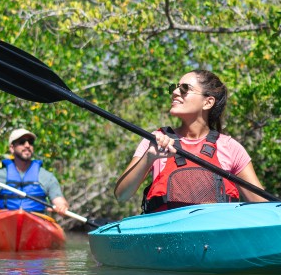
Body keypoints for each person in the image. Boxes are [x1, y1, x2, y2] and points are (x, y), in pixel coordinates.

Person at [114, 69, 268, 211]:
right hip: (167, 237)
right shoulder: (156, 141)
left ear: (208, 102)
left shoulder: (230, 148)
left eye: (184, 89)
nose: (174, 92)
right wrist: (149, 158)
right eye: (174, 87)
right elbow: (121, 195)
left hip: (214, 237)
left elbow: (264, 207)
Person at [0, 127, 70, 215]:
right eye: (22, 142)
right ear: (12, 148)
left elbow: (60, 202)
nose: (27, 145)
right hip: (6, 224)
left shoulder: (46, 177)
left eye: (30, 142)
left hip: (36, 224)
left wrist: (62, 207)